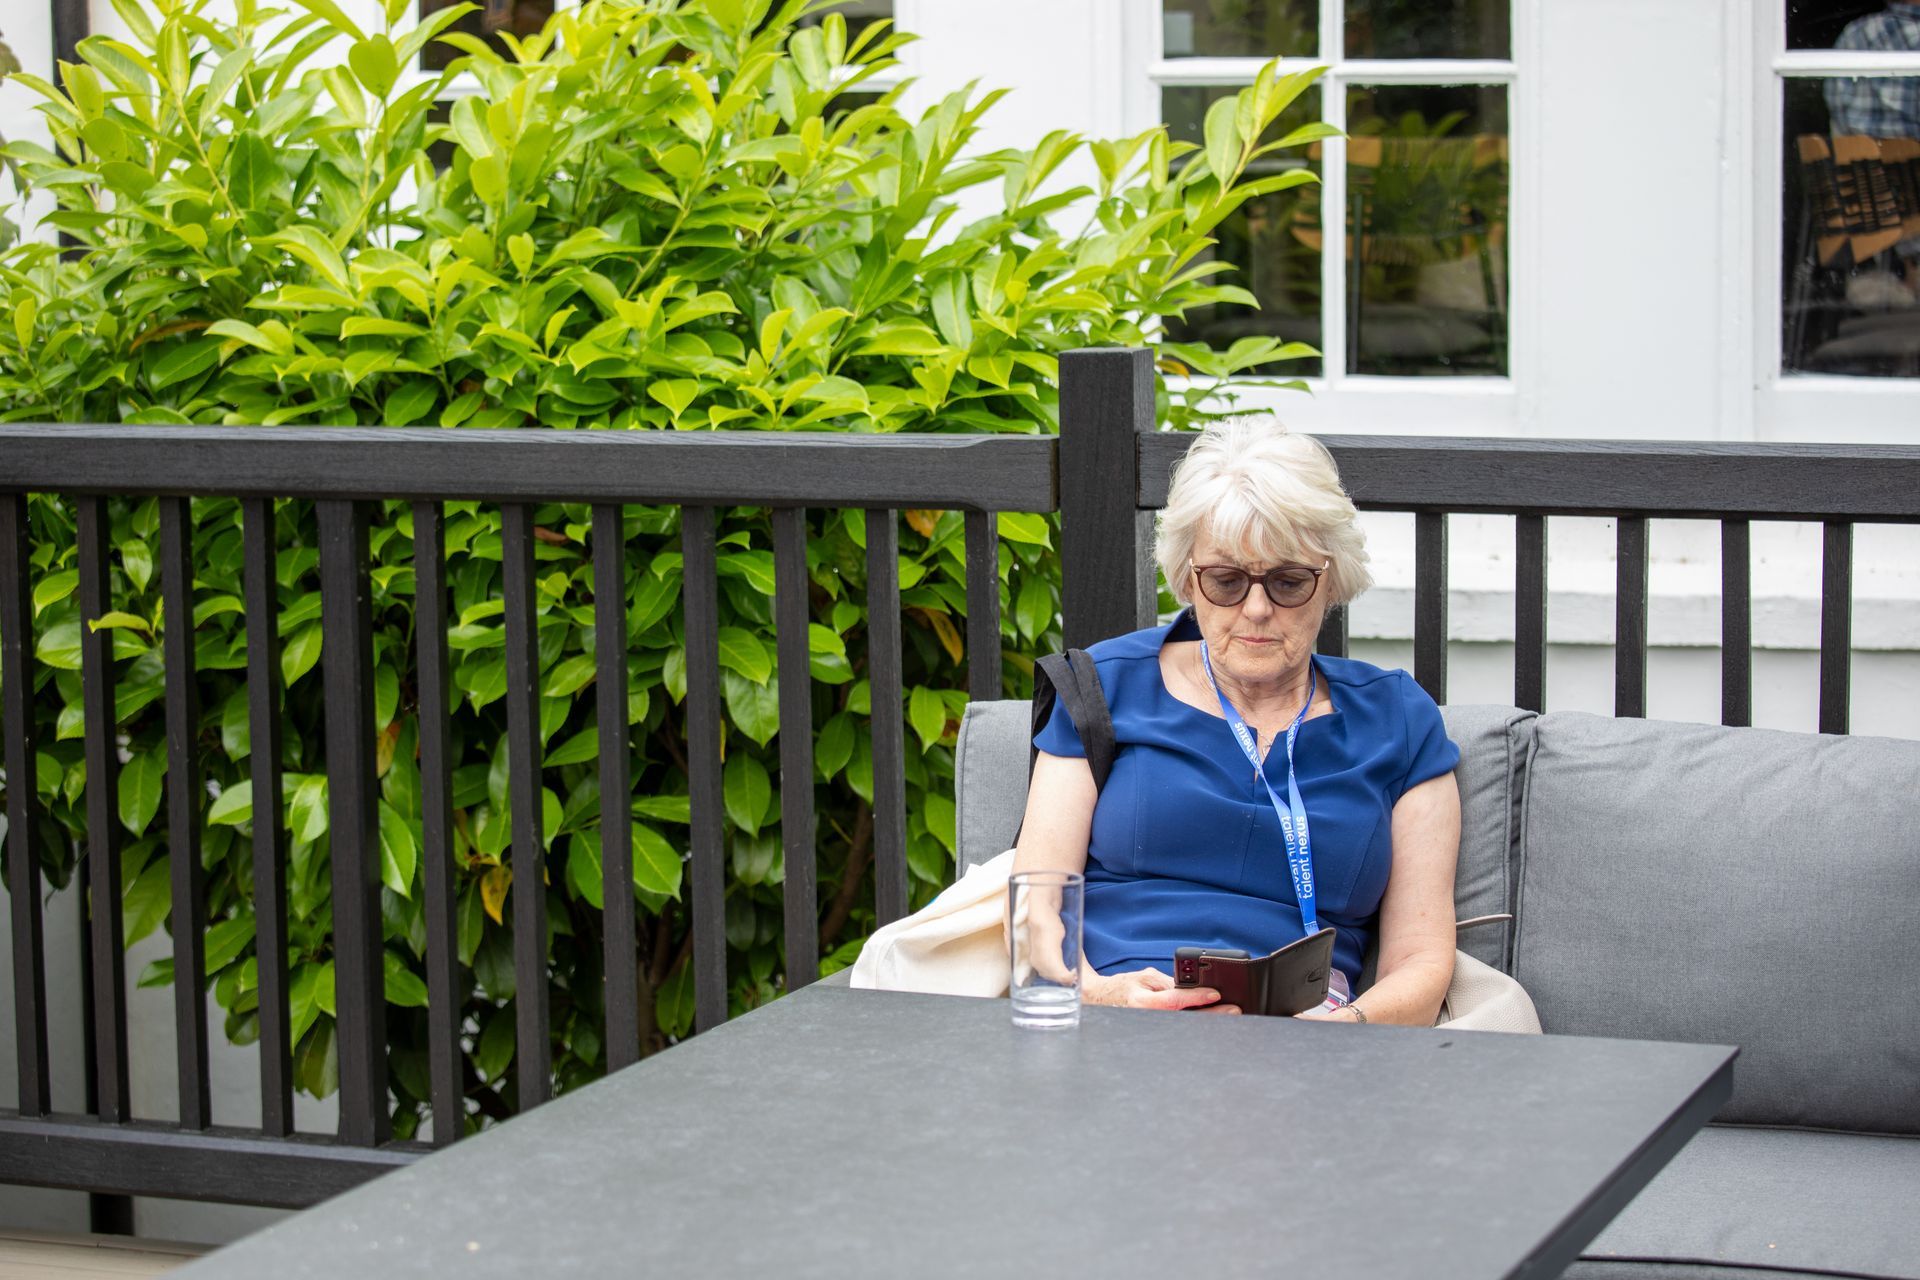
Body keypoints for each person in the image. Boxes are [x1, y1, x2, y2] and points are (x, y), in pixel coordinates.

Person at [1011, 415, 1461, 1024]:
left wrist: (1345, 1030)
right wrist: (1101, 994)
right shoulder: (1105, 688)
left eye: (1288, 582)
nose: (1256, 609)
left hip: (1306, 1037)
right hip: (1120, 1021)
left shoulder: (1398, 720)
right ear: (1188, 579)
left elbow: (1421, 959)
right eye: (1225, 580)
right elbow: (1037, 904)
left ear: (1331, 582)